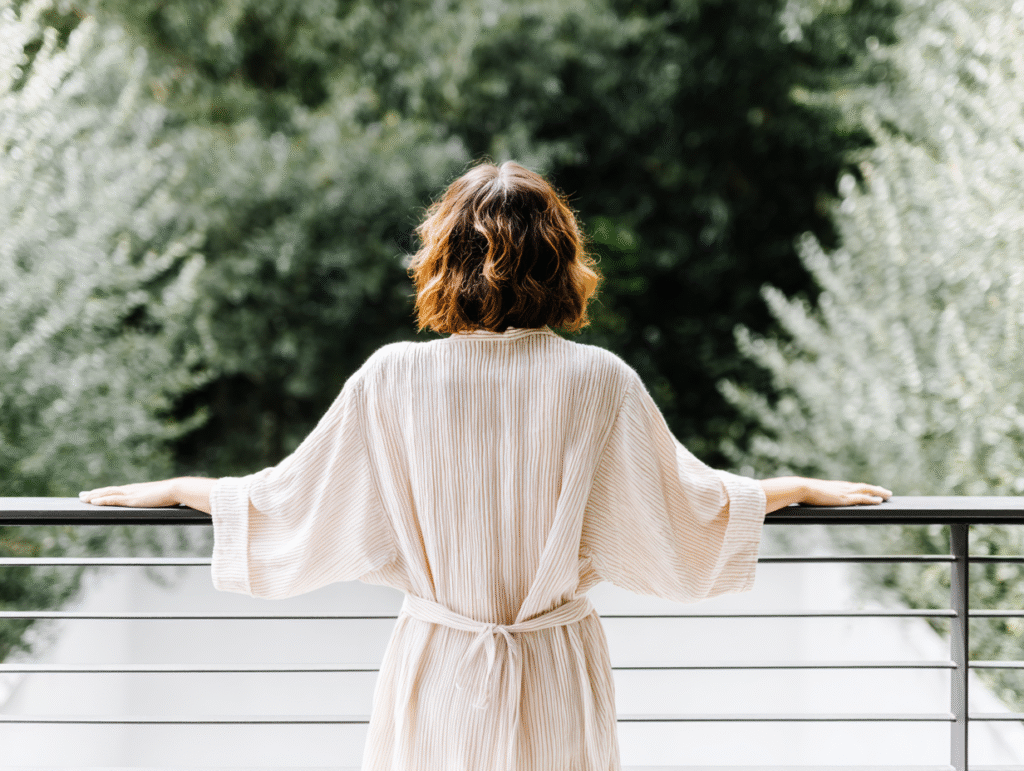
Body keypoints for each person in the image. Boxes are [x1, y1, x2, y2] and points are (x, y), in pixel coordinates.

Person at [80, 161, 892, 771]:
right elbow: (689, 512)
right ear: (562, 259)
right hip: (555, 673)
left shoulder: (392, 378)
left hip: (437, 668)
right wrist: (791, 490)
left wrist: (189, 490)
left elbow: (291, 503)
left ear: (445, 256)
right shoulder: (599, 380)